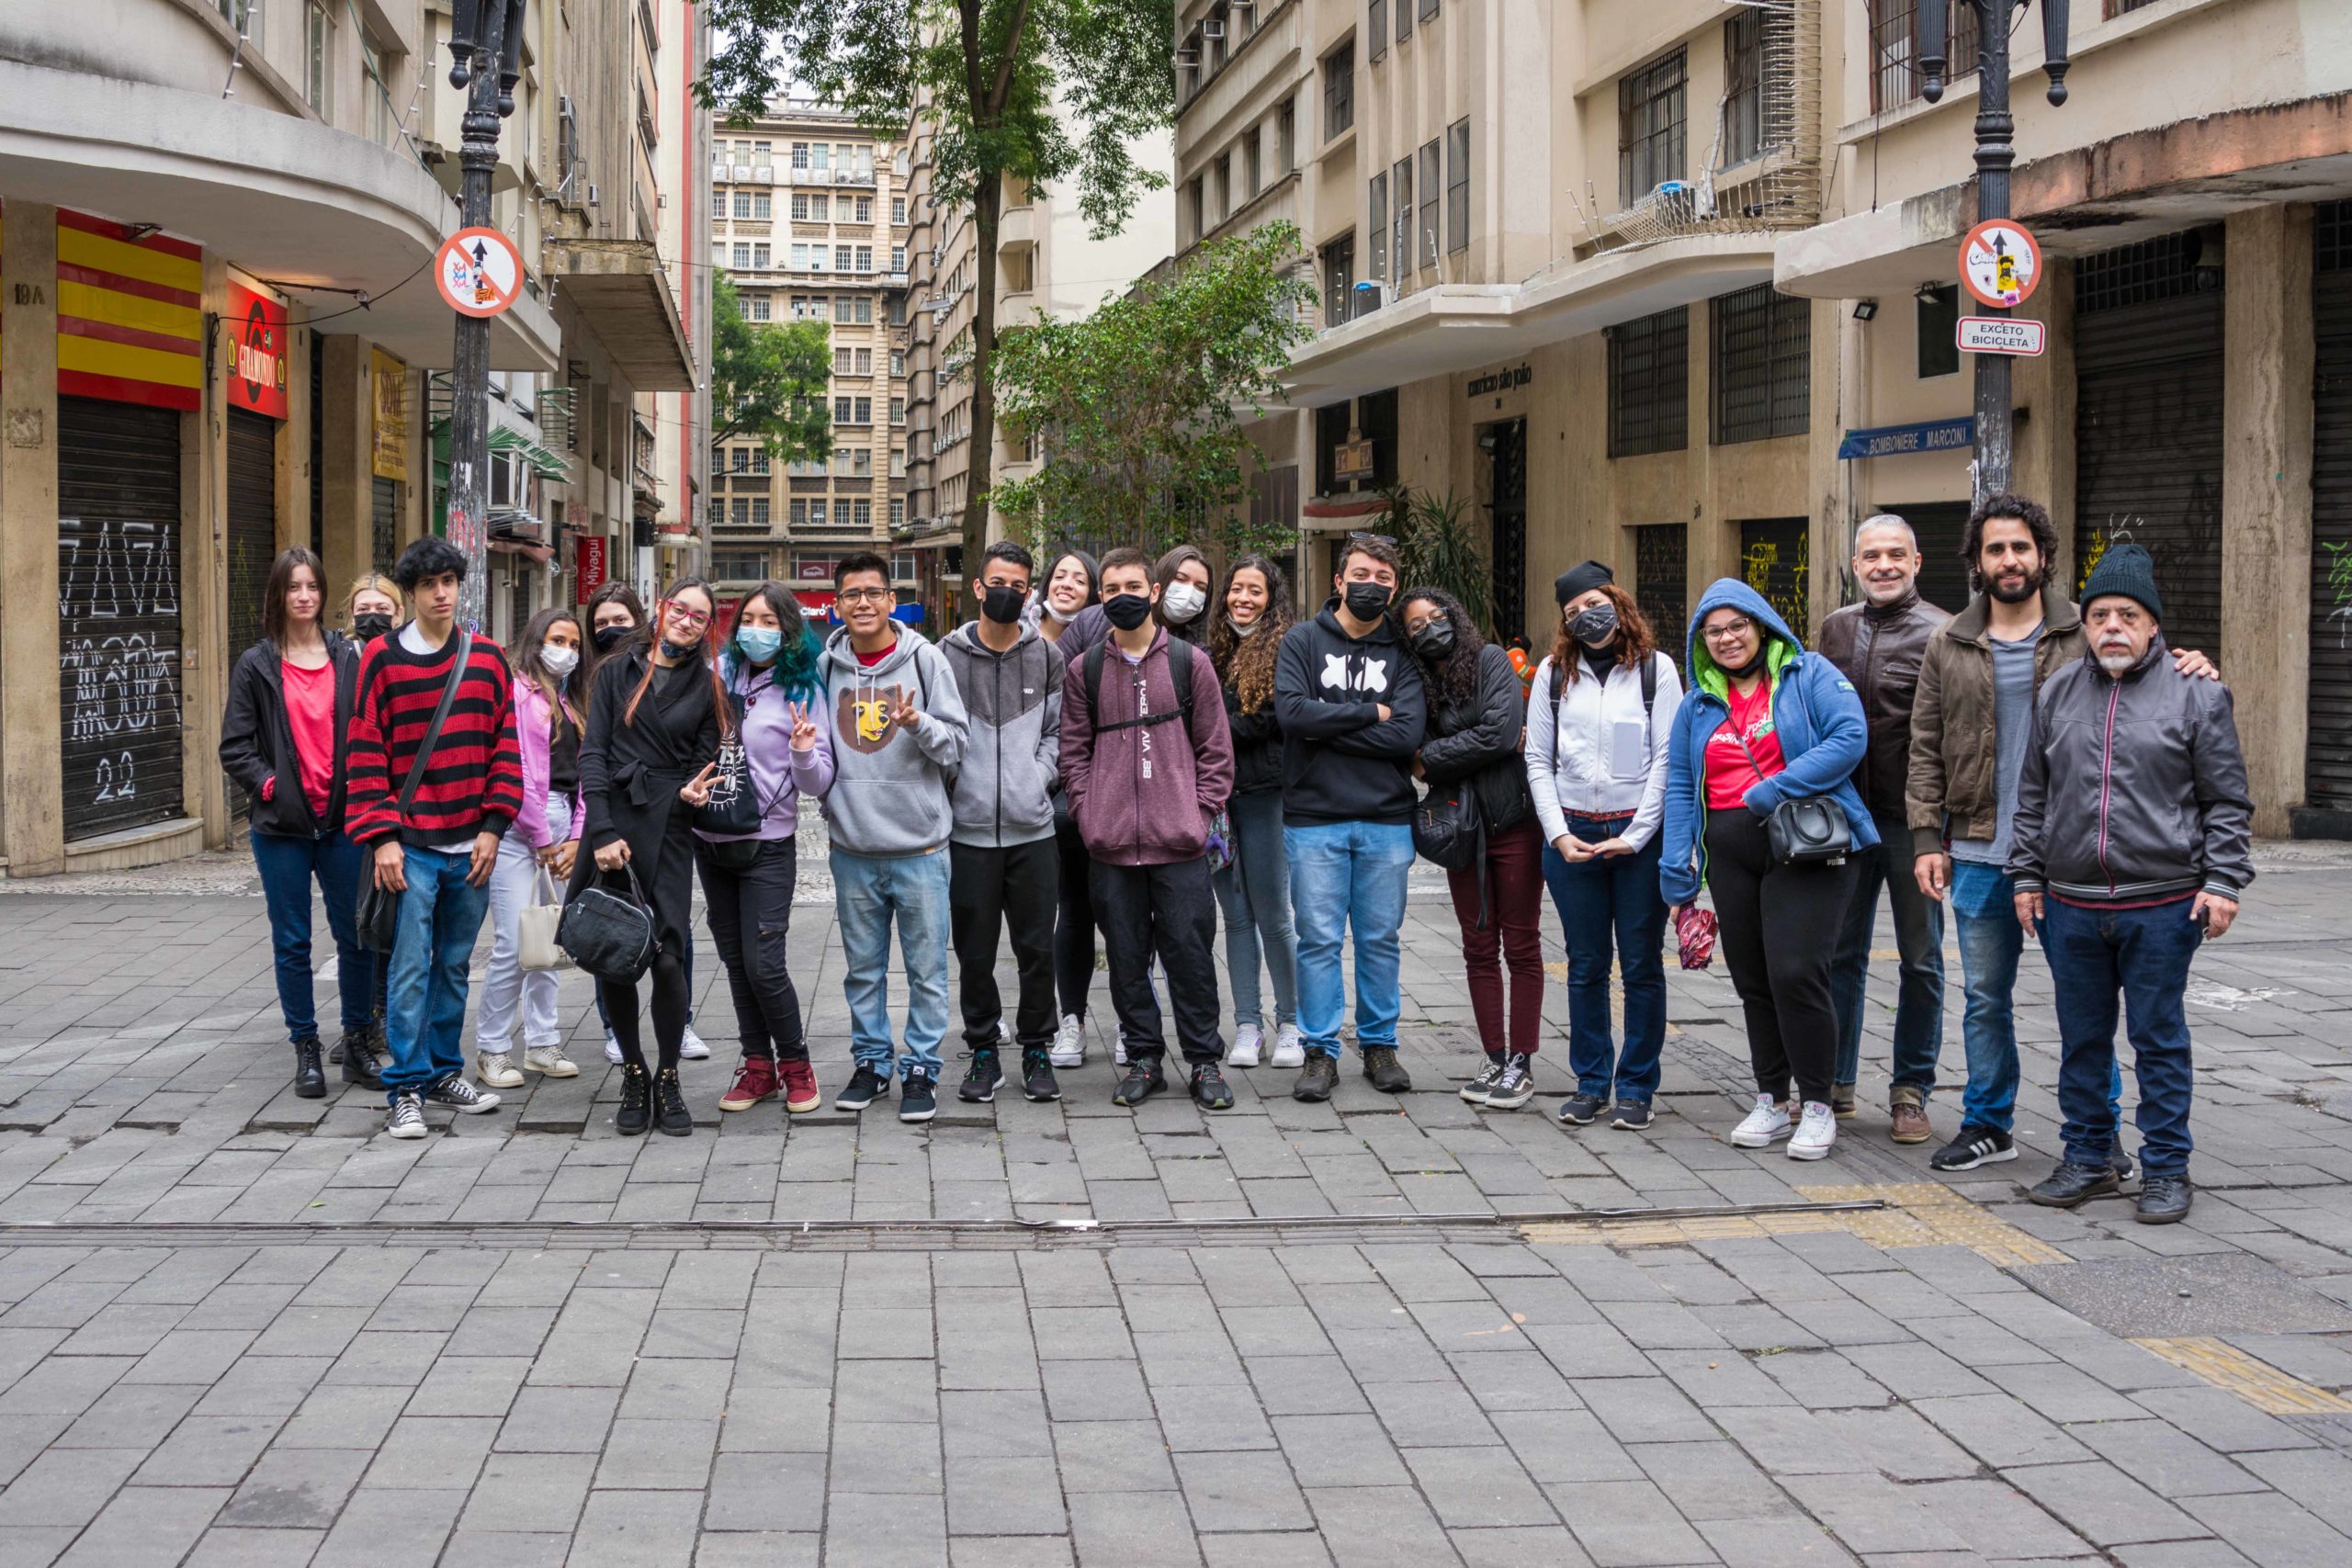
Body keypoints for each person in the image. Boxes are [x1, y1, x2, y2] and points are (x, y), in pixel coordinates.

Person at [1907, 494, 2214, 1175]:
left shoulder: (2089, 624)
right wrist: (1927, 837)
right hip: (1979, 847)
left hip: (2070, 857)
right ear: (1977, 560)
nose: (2009, 560)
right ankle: (1989, 1122)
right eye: (1995, 548)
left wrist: (2193, 662)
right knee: (1985, 998)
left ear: (2043, 555)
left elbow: (2151, 669)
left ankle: (2099, 1138)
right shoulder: (1949, 640)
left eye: (2021, 547)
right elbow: (1925, 744)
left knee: (2089, 1008)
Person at [2010, 545, 2252, 1224]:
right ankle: (2089, 1155)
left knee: (2158, 1038)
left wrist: (2224, 881)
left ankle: (2167, 1168)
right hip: (2071, 903)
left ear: (2153, 624)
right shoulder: (2057, 692)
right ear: (2084, 624)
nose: (2112, 626)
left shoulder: (2198, 693)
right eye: (2099, 615)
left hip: (2164, 902)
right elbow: (2032, 795)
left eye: (2128, 614)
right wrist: (2027, 874)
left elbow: (2227, 801)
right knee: (2082, 1039)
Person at [1660, 580, 1871, 1160]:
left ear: (1761, 625)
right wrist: (1677, 872)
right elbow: (1680, 785)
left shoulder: (1808, 674)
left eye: (1737, 626)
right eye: (1714, 631)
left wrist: (1773, 789)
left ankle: (1819, 1105)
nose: (1727, 639)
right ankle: (1772, 1100)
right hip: (1730, 853)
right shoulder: (1697, 703)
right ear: (1701, 642)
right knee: (1752, 979)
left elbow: (1849, 737)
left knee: (1796, 972)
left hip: (1806, 844)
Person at [344, 537, 522, 1139]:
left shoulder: (488, 659)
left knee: (452, 966)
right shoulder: (381, 660)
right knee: (409, 971)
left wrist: (494, 828)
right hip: (411, 848)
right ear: (412, 593)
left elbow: (505, 748)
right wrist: (382, 837)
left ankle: (445, 1071)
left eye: (449, 581)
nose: (441, 593)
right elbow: (365, 750)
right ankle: (406, 1087)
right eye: (428, 584)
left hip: (471, 848)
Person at [1060, 547, 1237, 1108]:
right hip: (1111, 846)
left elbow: (1216, 752)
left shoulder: (1190, 662)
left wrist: (1198, 814)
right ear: (1100, 597)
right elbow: (1073, 754)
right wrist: (1090, 813)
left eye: (1133, 587)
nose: (1123, 597)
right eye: (1112, 589)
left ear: (1153, 592)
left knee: (1191, 956)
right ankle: (1143, 1058)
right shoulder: (1084, 668)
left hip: (1180, 843)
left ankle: (1204, 1062)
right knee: (1126, 960)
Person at [1525, 562, 1679, 1130]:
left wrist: (1636, 836)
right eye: (1573, 612)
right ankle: (1591, 1082)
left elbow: (1668, 759)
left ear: (1616, 602)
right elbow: (1537, 759)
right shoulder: (1553, 674)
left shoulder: (1656, 670)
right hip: (1574, 835)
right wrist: (1558, 833)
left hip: (1638, 836)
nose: (1586, 617)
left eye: (1593, 604)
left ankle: (1636, 1087)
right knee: (1586, 964)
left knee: (1641, 965)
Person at [1274, 534, 1428, 1102]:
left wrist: (1328, 726)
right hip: (1314, 817)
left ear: (1394, 586)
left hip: (1386, 819)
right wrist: (1370, 713)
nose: (1371, 586)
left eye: (1383, 579)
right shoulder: (1302, 641)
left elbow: (1406, 735)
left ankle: (1379, 1045)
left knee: (1379, 939)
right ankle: (1319, 1051)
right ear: (1339, 581)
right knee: (1317, 939)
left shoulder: (1403, 651)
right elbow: (1292, 715)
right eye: (1361, 575)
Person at [219, 548, 377, 1099]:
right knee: (292, 941)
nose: (304, 596)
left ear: (323, 592)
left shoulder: (347, 657)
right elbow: (235, 746)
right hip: (281, 827)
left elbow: (369, 730)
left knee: (356, 935)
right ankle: (305, 1046)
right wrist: (271, 787)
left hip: (342, 824)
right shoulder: (256, 664)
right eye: (293, 587)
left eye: (312, 586)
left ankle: (357, 1043)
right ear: (278, 595)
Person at [574, 579, 729, 1137]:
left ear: (707, 628)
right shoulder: (616, 672)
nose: (686, 621)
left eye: (699, 617)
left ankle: (668, 1076)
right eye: (680, 610)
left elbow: (704, 760)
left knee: (668, 957)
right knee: (615, 952)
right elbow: (593, 754)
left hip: (670, 828)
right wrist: (600, 831)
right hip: (614, 824)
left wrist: (693, 791)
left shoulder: (709, 686)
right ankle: (634, 1073)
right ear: (662, 609)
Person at [819, 552, 969, 1123]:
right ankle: (872, 1063)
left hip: (921, 849)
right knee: (862, 970)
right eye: (852, 594)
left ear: (891, 600)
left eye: (873, 593)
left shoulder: (926, 660)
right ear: (837, 604)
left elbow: (957, 744)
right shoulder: (825, 667)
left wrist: (917, 723)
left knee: (927, 971)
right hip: (853, 849)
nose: (863, 603)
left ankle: (922, 1068)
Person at [1815, 516, 1950, 1138]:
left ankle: (1910, 1090)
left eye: (1897, 554)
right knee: (1839, 954)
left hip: (1914, 824)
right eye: (1872, 556)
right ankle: (1834, 1083)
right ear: (1855, 564)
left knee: (1921, 958)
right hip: (1844, 820)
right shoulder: (1835, 628)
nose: (1884, 565)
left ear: (1917, 561)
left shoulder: (1944, 631)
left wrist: (1937, 827)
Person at [1397, 586, 1544, 1111]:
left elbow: (1500, 735)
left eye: (1435, 616)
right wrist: (1449, 751)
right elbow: (1410, 744)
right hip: (1459, 831)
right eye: (1415, 626)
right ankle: (1494, 1057)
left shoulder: (1490, 661)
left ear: (1454, 615)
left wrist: (1431, 757)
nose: (1429, 628)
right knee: (1478, 947)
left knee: (1521, 945)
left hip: (1514, 823)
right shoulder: (1417, 682)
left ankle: (1521, 1062)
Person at [699, 584, 834, 1116]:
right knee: (735, 963)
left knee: (764, 965)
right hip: (710, 837)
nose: (757, 630)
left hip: (768, 844)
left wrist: (803, 751)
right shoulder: (716, 674)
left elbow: (818, 782)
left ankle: (796, 1065)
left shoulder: (804, 687)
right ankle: (757, 1067)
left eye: (770, 621)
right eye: (749, 619)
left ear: (789, 630)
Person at [943, 542, 1066, 1105]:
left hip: (1033, 831)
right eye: (998, 583)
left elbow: (1058, 733)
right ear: (977, 586)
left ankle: (1038, 1047)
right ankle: (983, 1049)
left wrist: (1036, 779)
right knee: (975, 952)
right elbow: (936, 734)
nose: (1007, 594)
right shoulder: (944, 657)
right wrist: (956, 787)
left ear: (1029, 591)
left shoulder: (1047, 656)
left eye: (1018, 586)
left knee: (1037, 949)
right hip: (967, 834)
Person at [472, 609, 586, 1089]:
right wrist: (542, 838)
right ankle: (493, 1048)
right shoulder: (516, 693)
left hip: (562, 822)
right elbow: (515, 767)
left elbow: (587, 773)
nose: (567, 651)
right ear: (536, 640)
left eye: (574, 644)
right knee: (514, 943)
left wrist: (577, 834)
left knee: (552, 938)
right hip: (518, 830)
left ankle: (542, 1042)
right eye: (558, 640)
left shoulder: (573, 699)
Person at [1206, 555, 1302, 1069]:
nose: (1243, 599)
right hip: (1216, 802)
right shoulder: (1213, 652)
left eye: (1255, 591)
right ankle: (1247, 1024)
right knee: (1235, 915)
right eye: (1236, 589)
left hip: (1265, 795)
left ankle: (1290, 1023)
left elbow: (1268, 721)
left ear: (1271, 598)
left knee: (1273, 915)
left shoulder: (1288, 650)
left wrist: (1208, 727)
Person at [1032, 549, 1107, 1069]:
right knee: (1072, 909)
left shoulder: (1110, 637)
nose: (1067, 584)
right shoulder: (1027, 639)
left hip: (1118, 794)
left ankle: (1132, 1022)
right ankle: (1070, 1020)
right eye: (1060, 575)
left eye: (1079, 578)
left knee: (1126, 912)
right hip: (1058, 796)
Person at [341, 572, 404, 1066]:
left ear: (400, 613)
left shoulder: (406, 657)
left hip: (395, 808)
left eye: (383, 608)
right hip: (345, 810)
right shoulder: (340, 661)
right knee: (357, 922)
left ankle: (380, 1018)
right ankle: (361, 1022)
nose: (373, 616)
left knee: (388, 920)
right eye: (363, 608)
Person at [1154, 544, 1216, 647]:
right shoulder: (1126, 633)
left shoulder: (1198, 653)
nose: (1189, 593)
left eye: (1200, 587)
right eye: (1180, 579)